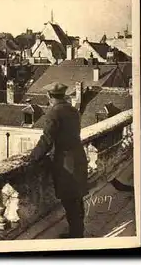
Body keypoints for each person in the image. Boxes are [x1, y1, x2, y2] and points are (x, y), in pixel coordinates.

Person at [29, 82, 88, 238]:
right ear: (63, 95)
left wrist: (33, 157)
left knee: (69, 201)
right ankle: (78, 231)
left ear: (49, 96)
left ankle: (76, 236)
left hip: (65, 163)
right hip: (79, 157)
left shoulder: (53, 113)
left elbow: (47, 140)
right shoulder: (74, 110)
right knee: (77, 199)